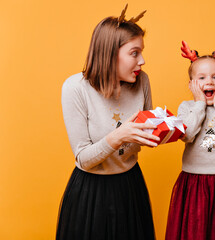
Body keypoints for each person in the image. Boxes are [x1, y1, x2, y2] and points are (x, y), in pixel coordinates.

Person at [56, 5, 159, 240]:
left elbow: (144, 134)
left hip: (130, 187)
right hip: (90, 193)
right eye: (134, 53)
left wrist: (166, 130)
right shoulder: (75, 88)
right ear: (110, 53)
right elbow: (83, 158)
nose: (142, 61)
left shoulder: (142, 81)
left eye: (141, 52)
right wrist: (119, 135)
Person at [165, 37, 215, 240]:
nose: (209, 82)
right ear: (191, 84)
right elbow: (187, 134)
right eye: (201, 78)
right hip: (193, 183)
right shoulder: (187, 108)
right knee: (194, 232)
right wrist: (200, 104)